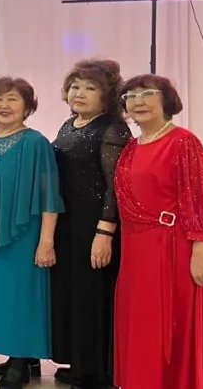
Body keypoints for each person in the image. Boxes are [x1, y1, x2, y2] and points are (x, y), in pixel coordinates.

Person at [113, 74, 203, 389]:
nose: (138, 101)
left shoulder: (183, 141)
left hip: (173, 248)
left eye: (147, 93)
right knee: (141, 322)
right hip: (135, 249)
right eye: (131, 96)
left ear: (166, 99)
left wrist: (201, 251)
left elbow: (201, 199)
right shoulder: (131, 147)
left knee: (171, 324)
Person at [0, 77, 64, 389]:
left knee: (22, 298)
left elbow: (49, 195)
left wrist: (46, 241)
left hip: (23, 237)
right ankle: (16, 355)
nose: (4, 105)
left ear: (27, 107)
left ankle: (22, 362)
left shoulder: (35, 143)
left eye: (12, 99)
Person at [43, 59, 132, 388]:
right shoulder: (70, 125)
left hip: (95, 223)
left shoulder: (112, 129)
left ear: (107, 95)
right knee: (73, 293)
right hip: (67, 222)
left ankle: (98, 372)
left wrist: (105, 231)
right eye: (75, 86)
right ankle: (79, 363)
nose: (79, 93)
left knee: (93, 295)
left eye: (90, 88)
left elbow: (114, 186)